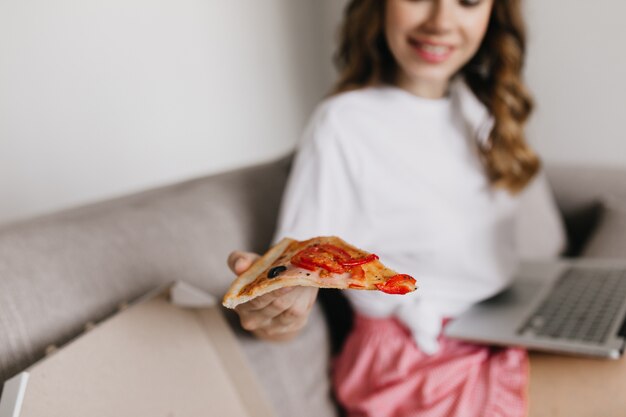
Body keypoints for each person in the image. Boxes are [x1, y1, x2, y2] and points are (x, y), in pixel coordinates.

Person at [227, 0, 626, 416]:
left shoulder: (483, 112)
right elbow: (293, 275)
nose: (440, 22)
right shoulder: (344, 124)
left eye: (468, 1)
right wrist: (278, 308)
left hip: (498, 330)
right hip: (415, 363)